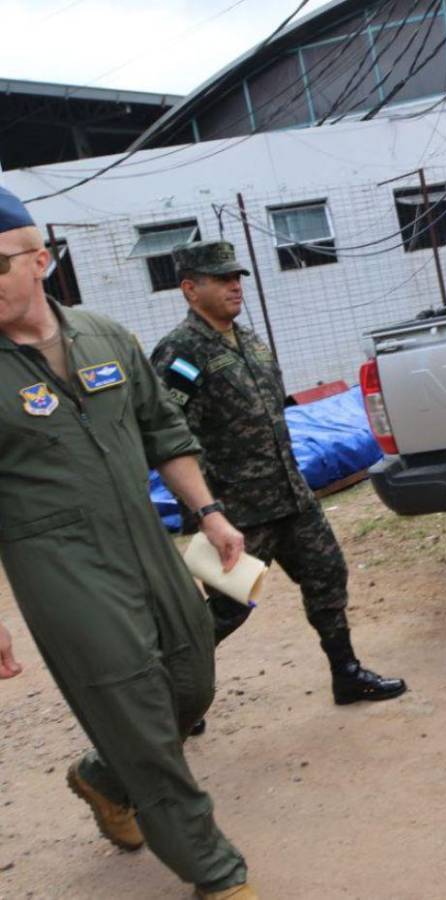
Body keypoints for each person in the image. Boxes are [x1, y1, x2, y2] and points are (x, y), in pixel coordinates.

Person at [0, 188, 256, 899]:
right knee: (135, 713)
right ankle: (218, 873)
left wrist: (208, 512)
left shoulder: (106, 336)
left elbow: (162, 433)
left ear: (40, 260)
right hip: (58, 563)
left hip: (146, 541)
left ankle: (102, 776)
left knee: (190, 678)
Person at [151, 241, 406, 715]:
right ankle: (171, 699)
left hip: (291, 494)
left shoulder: (249, 340)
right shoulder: (180, 353)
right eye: (221, 278)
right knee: (227, 610)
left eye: (237, 277)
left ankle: (346, 674)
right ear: (190, 289)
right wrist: (206, 511)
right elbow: (169, 435)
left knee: (327, 577)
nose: (235, 285)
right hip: (237, 511)